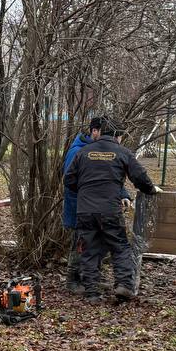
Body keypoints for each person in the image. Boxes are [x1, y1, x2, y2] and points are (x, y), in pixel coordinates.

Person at [64, 117, 159, 303]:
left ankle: (91, 292)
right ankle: (123, 285)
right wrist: (150, 190)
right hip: (110, 210)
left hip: (85, 210)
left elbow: (69, 180)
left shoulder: (83, 152)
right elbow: (140, 177)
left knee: (89, 250)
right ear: (117, 136)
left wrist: (85, 192)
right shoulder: (122, 152)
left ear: (101, 132)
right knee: (120, 247)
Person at [62, 119, 101, 294]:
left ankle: (88, 278)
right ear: (94, 131)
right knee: (80, 242)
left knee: (92, 243)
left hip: (91, 206)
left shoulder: (95, 151)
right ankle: (72, 280)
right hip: (79, 207)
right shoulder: (77, 151)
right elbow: (69, 180)